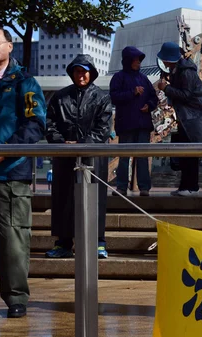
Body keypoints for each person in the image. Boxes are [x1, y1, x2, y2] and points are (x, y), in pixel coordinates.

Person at [0, 26, 46, 318]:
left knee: (13, 240)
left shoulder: (25, 82)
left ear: (9, 46)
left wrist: (7, 151)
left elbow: (35, 123)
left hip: (11, 173)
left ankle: (16, 298)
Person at [44, 54, 112, 260]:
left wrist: (84, 144)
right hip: (65, 157)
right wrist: (61, 143)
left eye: (84, 71)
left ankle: (99, 241)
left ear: (91, 73)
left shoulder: (102, 98)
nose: (80, 75)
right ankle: (63, 243)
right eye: (77, 71)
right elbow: (49, 124)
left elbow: (103, 128)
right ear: (72, 73)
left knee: (95, 199)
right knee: (63, 199)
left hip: (93, 158)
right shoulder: (60, 97)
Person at [156, 41, 202, 196]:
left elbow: (186, 95)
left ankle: (192, 187)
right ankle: (184, 186)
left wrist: (166, 88)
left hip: (194, 118)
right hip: (187, 118)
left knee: (190, 153)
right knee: (185, 153)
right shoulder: (178, 70)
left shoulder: (186, 71)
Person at [110, 46, 158, 197]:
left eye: (139, 60)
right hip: (126, 125)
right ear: (128, 61)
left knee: (142, 156)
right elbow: (114, 97)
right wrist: (132, 92)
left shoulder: (144, 78)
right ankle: (121, 187)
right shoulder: (118, 77)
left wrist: (149, 106)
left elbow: (153, 97)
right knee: (124, 157)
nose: (138, 63)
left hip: (143, 124)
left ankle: (144, 188)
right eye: (136, 60)